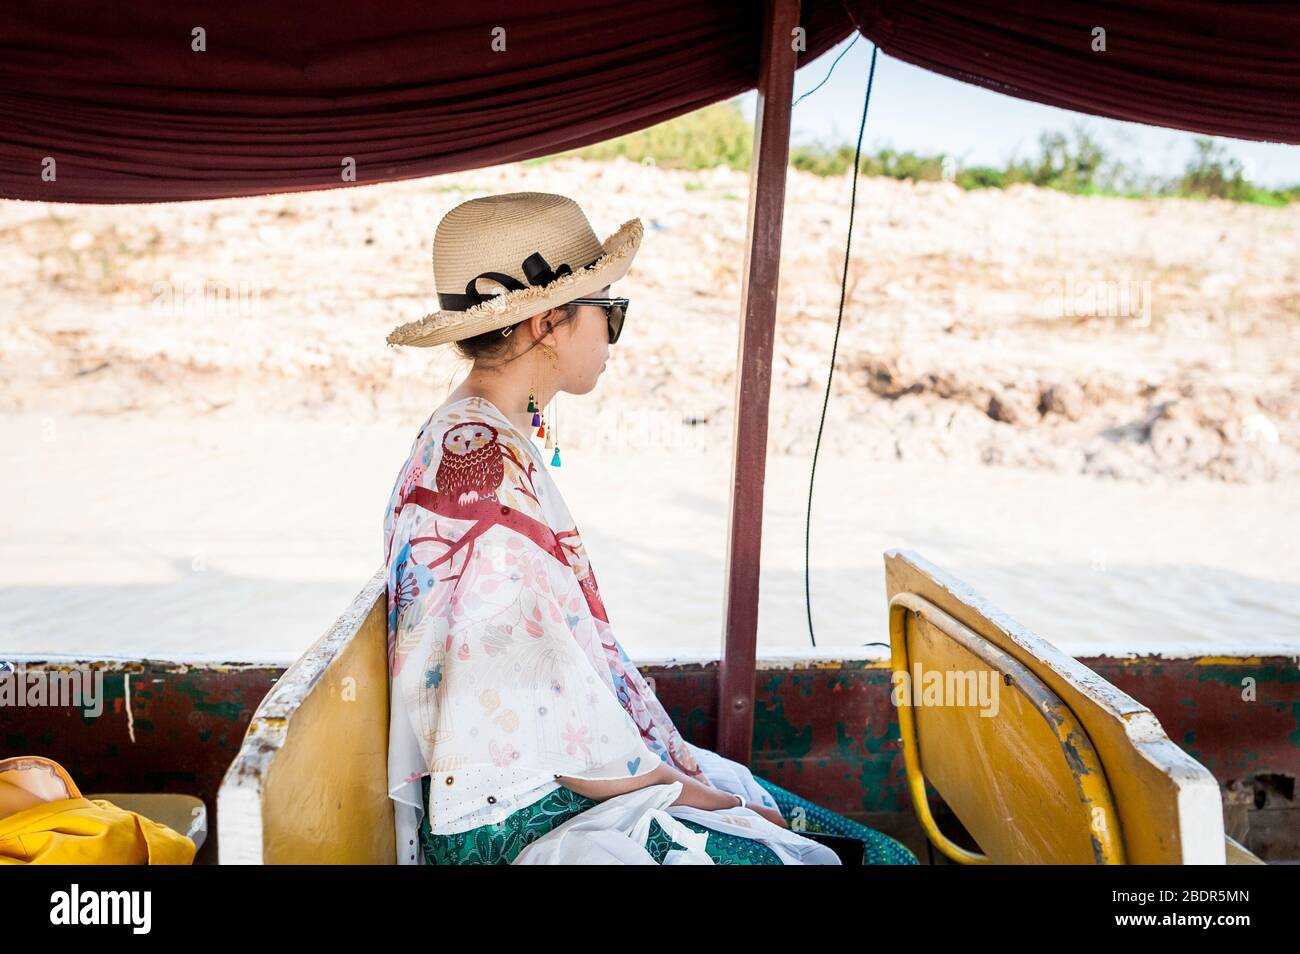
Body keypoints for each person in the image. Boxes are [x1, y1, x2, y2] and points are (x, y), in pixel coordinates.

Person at [381, 192, 916, 865]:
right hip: (519, 813)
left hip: (534, 783)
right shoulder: (480, 469)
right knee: (875, 857)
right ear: (550, 322)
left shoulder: (473, 434)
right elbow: (543, 725)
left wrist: (688, 780)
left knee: (826, 836)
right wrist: (694, 791)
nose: (613, 333)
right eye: (610, 311)